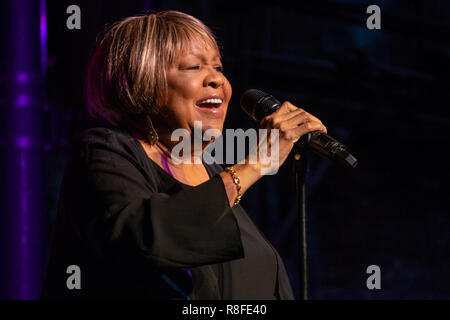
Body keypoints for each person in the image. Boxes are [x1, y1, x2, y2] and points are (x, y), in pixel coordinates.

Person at [41, 10, 327, 299]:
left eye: (218, 66)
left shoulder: (213, 172)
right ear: (143, 80)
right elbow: (143, 241)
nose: (216, 79)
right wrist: (256, 164)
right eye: (193, 67)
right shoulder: (104, 151)